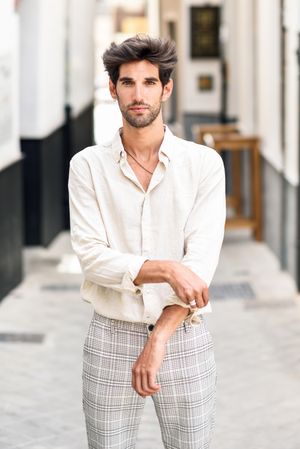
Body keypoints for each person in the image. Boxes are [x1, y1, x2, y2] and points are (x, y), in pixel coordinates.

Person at [68, 34, 226, 449]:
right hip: (110, 334)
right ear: (112, 88)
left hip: (184, 333)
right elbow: (92, 257)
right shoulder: (86, 167)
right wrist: (168, 268)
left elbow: (202, 262)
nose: (138, 95)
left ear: (166, 88)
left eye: (149, 82)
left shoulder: (204, 165)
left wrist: (159, 337)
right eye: (127, 83)